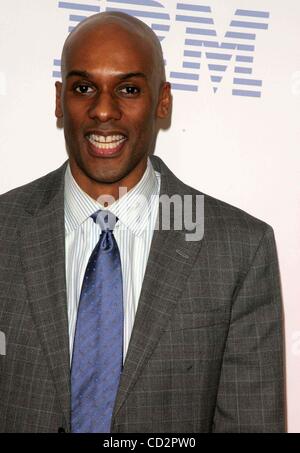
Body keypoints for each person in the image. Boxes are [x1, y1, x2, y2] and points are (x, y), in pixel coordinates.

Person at [0, 12, 285, 433]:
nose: (103, 111)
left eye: (129, 89)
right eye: (83, 88)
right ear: (60, 100)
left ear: (162, 101)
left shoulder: (240, 249)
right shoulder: (5, 230)